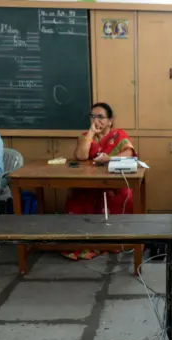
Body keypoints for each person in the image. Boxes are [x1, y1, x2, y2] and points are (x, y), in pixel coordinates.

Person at [63, 102, 136, 260]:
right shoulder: (85, 136)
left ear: (110, 120)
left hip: (113, 184)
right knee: (76, 201)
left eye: (101, 117)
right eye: (93, 117)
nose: (97, 120)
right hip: (89, 183)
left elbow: (129, 153)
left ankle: (115, 240)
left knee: (123, 196)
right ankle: (85, 240)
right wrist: (91, 133)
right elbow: (81, 156)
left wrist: (110, 158)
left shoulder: (118, 135)